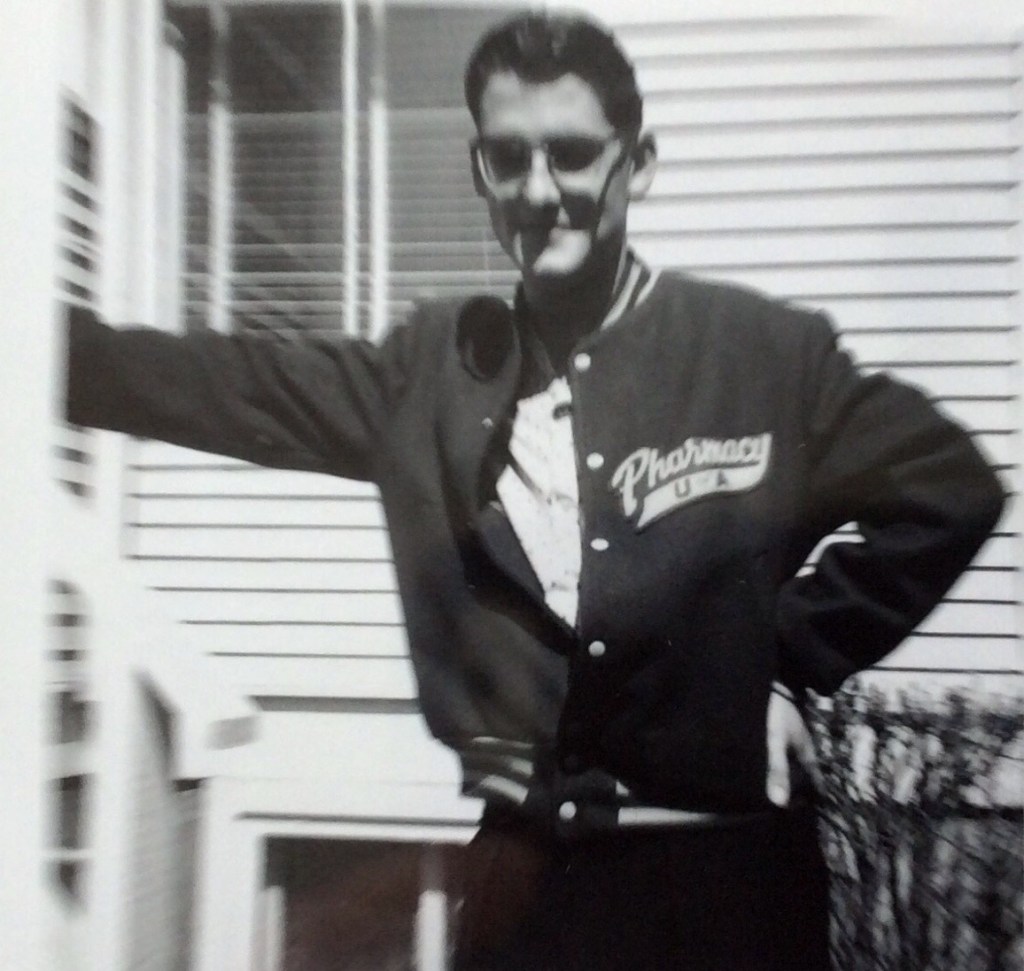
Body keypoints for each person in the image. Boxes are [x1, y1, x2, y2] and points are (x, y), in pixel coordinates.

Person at [64, 11, 1004, 970]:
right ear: (480, 173)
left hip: (725, 886)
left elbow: (948, 487)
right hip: (526, 887)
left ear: (637, 163)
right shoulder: (430, 370)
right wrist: (38, 340)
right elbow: (236, 386)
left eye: (572, 154)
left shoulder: (761, 356)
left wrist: (789, 655)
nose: (539, 190)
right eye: (508, 158)